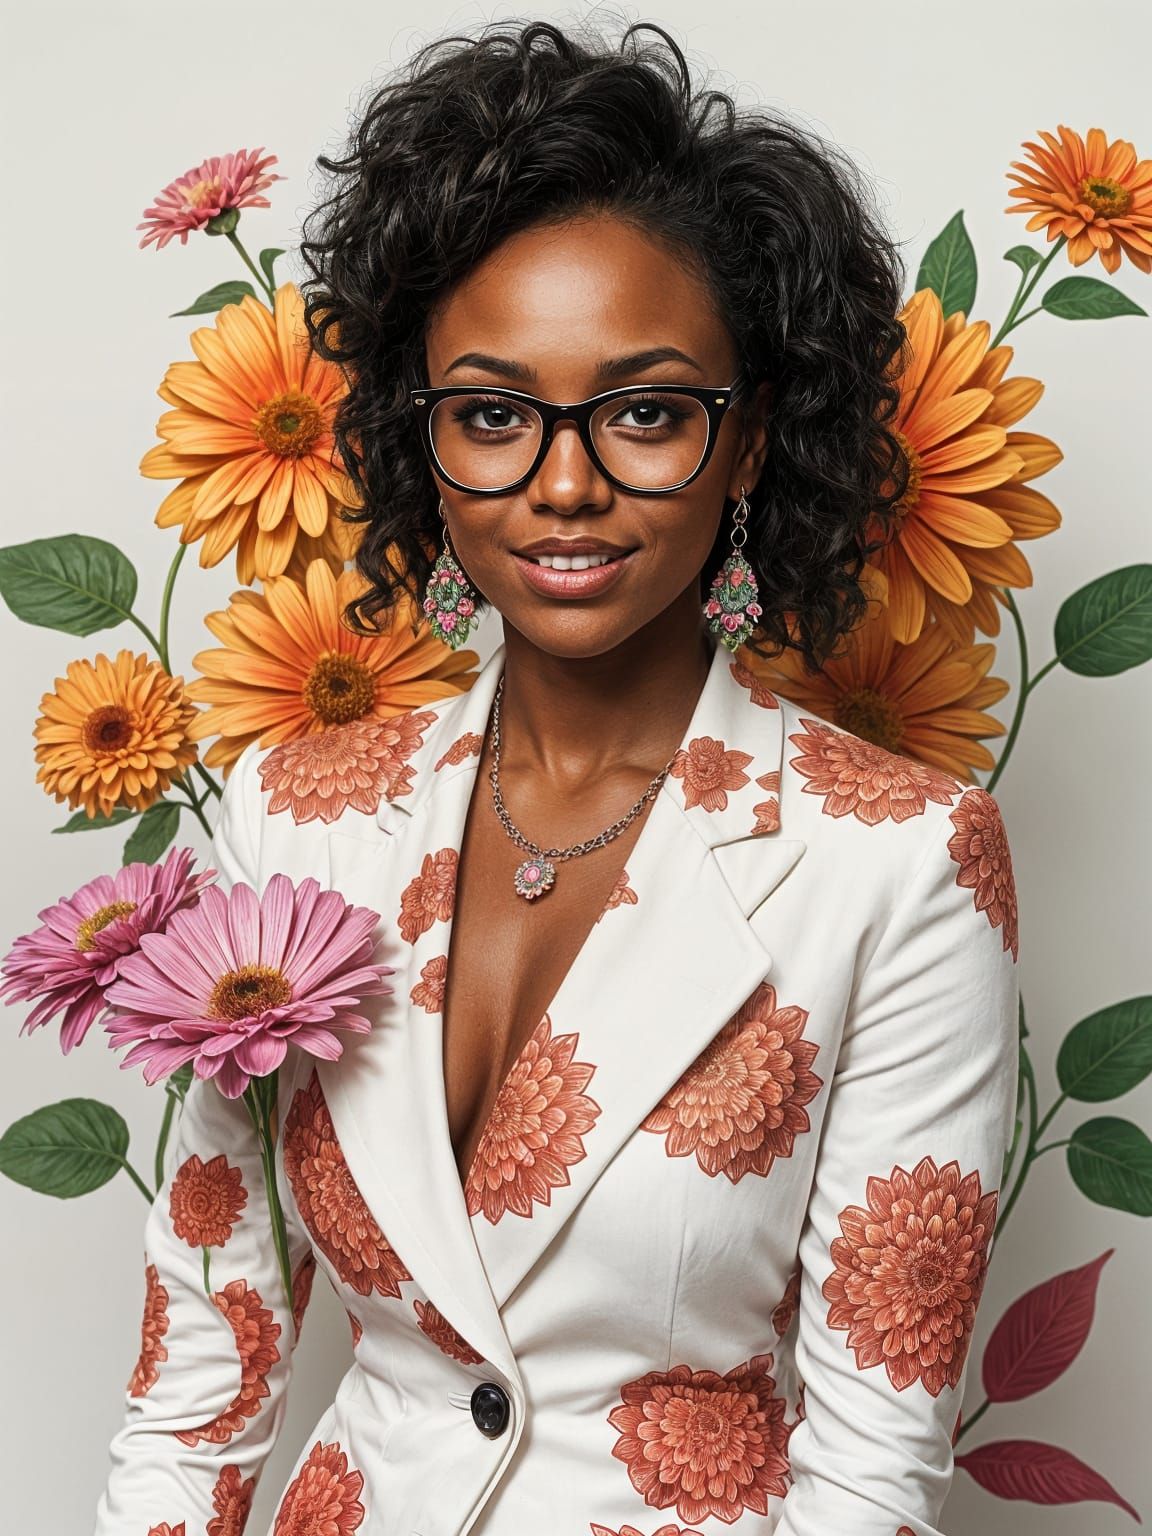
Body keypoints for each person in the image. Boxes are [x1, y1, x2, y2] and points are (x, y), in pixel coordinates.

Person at [94, 17, 1020, 1536]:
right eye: (494, 413)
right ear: (426, 435)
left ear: (750, 441)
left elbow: (872, 1473)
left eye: (647, 410)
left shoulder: (904, 861)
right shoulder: (293, 813)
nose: (567, 480)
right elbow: (207, 1340)